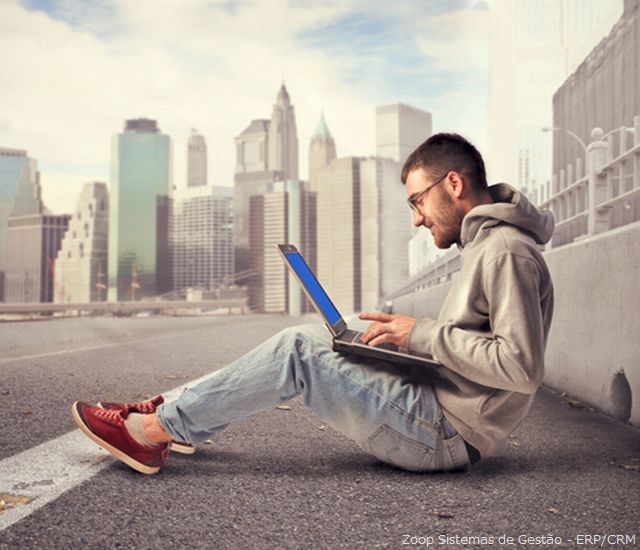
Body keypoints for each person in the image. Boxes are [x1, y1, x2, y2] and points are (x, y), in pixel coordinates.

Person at [72, 133, 554, 475]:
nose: (416, 219)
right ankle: (179, 418)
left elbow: (519, 365)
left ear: (452, 184)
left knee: (297, 350)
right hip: (440, 410)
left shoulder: (505, 251)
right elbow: (477, 344)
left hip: (445, 433)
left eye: (417, 201)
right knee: (323, 335)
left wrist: (419, 333)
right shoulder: (487, 247)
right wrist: (397, 341)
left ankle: (152, 431)